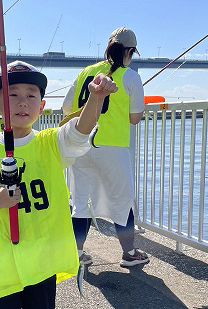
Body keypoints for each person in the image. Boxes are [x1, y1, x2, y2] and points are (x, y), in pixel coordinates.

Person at [0, 60, 117, 308]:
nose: (23, 102)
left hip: (42, 263)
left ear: (42, 106)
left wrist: (96, 98)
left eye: (31, 95)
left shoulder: (52, 143)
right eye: (12, 95)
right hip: (1, 266)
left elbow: (79, 131)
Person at [62, 28, 148, 268]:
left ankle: (77, 254)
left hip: (80, 143)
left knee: (80, 201)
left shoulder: (86, 72)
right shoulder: (130, 76)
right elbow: (134, 118)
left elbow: (67, 108)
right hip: (112, 146)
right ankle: (129, 253)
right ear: (130, 52)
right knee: (121, 200)